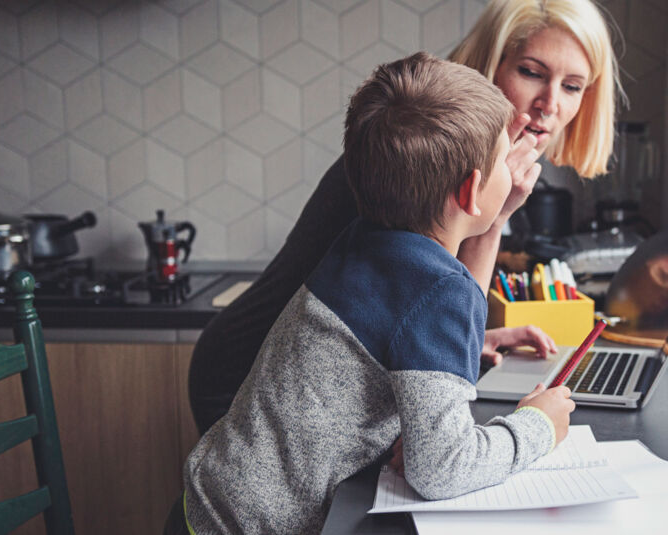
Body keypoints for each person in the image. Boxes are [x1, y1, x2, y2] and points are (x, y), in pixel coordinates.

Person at [177, 53, 576, 535]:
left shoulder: (363, 239)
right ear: (472, 191)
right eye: (501, 159)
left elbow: (389, 345)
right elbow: (441, 469)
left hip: (204, 503)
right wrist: (537, 426)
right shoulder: (440, 290)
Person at [188, 0, 620, 434]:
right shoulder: (417, 164)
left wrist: (460, 346)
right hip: (249, 379)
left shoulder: (485, 172)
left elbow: (399, 311)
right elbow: (434, 295)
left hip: (307, 387)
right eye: (532, 73)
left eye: (573, 87)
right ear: (492, 63)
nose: (549, 104)